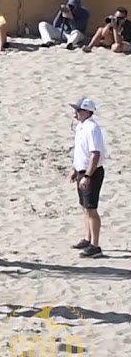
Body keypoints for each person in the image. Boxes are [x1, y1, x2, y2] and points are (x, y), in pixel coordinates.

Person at [69, 98, 106, 258]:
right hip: (82, 171)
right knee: (84, 207)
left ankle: (95, 245)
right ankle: (87, 237)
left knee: (91, 208)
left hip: (91, 172)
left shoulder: (92, 128)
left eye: (78, 110)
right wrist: (75, 170)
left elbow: (94, 154)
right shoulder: (81, 127)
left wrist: (88, 175)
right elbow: (81, 152)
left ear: (86, 111)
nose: (75, 113)